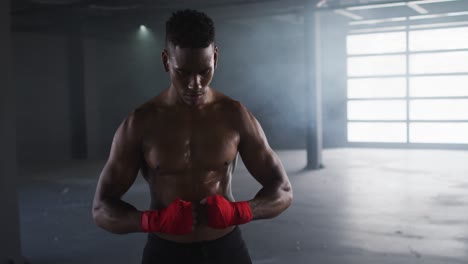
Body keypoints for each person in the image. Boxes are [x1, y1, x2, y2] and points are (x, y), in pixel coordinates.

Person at [92, 9, 293, 264]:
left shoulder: (234, 115)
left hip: (226, 249)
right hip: (166, 252)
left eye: (204, 71)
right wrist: (152, 220)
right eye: (183, 72)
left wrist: (239, 212)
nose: (195, 84)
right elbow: (101, 210)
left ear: (215, 58)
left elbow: (283, 191)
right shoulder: (140, 123)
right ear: (166, 61)